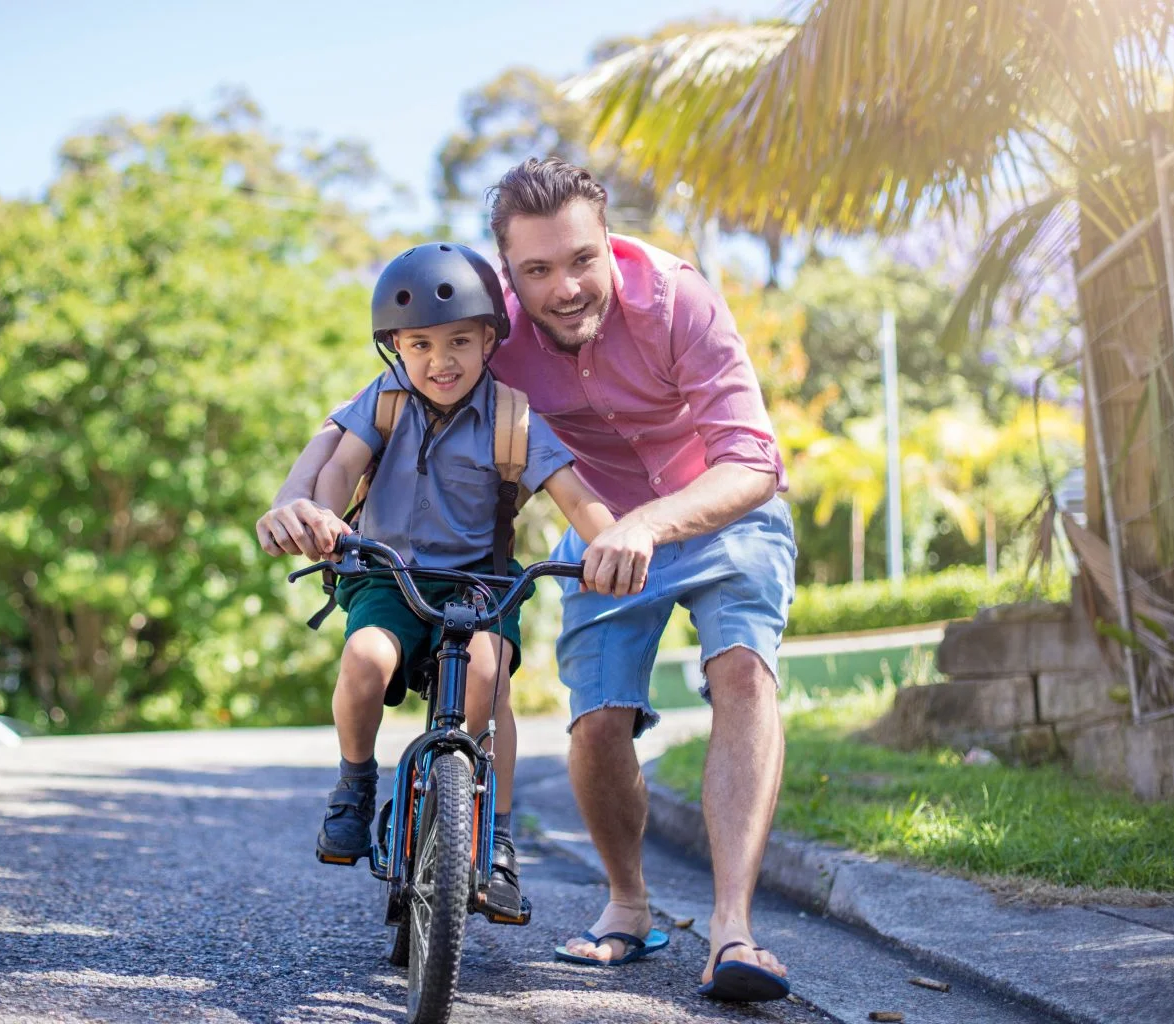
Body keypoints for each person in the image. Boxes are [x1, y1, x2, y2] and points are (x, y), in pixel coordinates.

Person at [258, 159, 795, 1002]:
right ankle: (627, 905)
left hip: (706, 507)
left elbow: (755, 461)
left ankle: (735, 931)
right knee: (597, 726)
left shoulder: (678, 299)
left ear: (608, 240)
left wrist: (645, 525)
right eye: (538, 270)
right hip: (605, 536)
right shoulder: (476, 330)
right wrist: (297, 504)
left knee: (739, 671)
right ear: (508, 275)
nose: (566, 287)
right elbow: (343, 427)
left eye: (582, 259)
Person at [289, 241, 622, 921]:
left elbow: (574, 494)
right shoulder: (384, 400)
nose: (440, 361)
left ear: (490, 340)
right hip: (390, 577)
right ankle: (355, 785)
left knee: (485, 674)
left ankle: (493, 837)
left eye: (460, 342)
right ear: (396, 348)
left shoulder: (512, 418)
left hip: (478, 586)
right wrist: (326, 519)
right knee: (364, 656)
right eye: (420, 345)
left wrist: (612, 542)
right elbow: (339, 465)